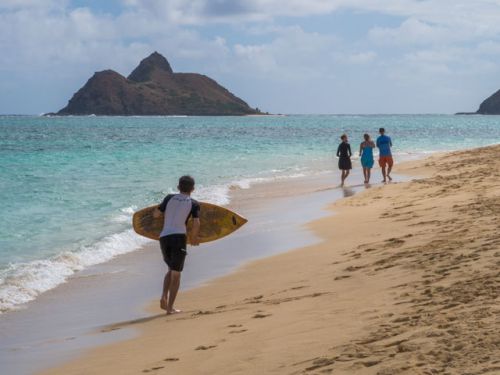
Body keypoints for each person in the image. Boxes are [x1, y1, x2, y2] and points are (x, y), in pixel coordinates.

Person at [153, 175, 200, 315]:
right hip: (179, 238)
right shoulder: (194, 203)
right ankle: (170, 308)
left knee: (171, 268)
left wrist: (157, 210)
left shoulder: (168, 198)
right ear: (193, 189)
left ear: (178, 187)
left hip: (164, 238)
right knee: (176, 274)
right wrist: (194, 237)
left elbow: (156, 215)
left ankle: (163, 296)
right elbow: (196, 222)